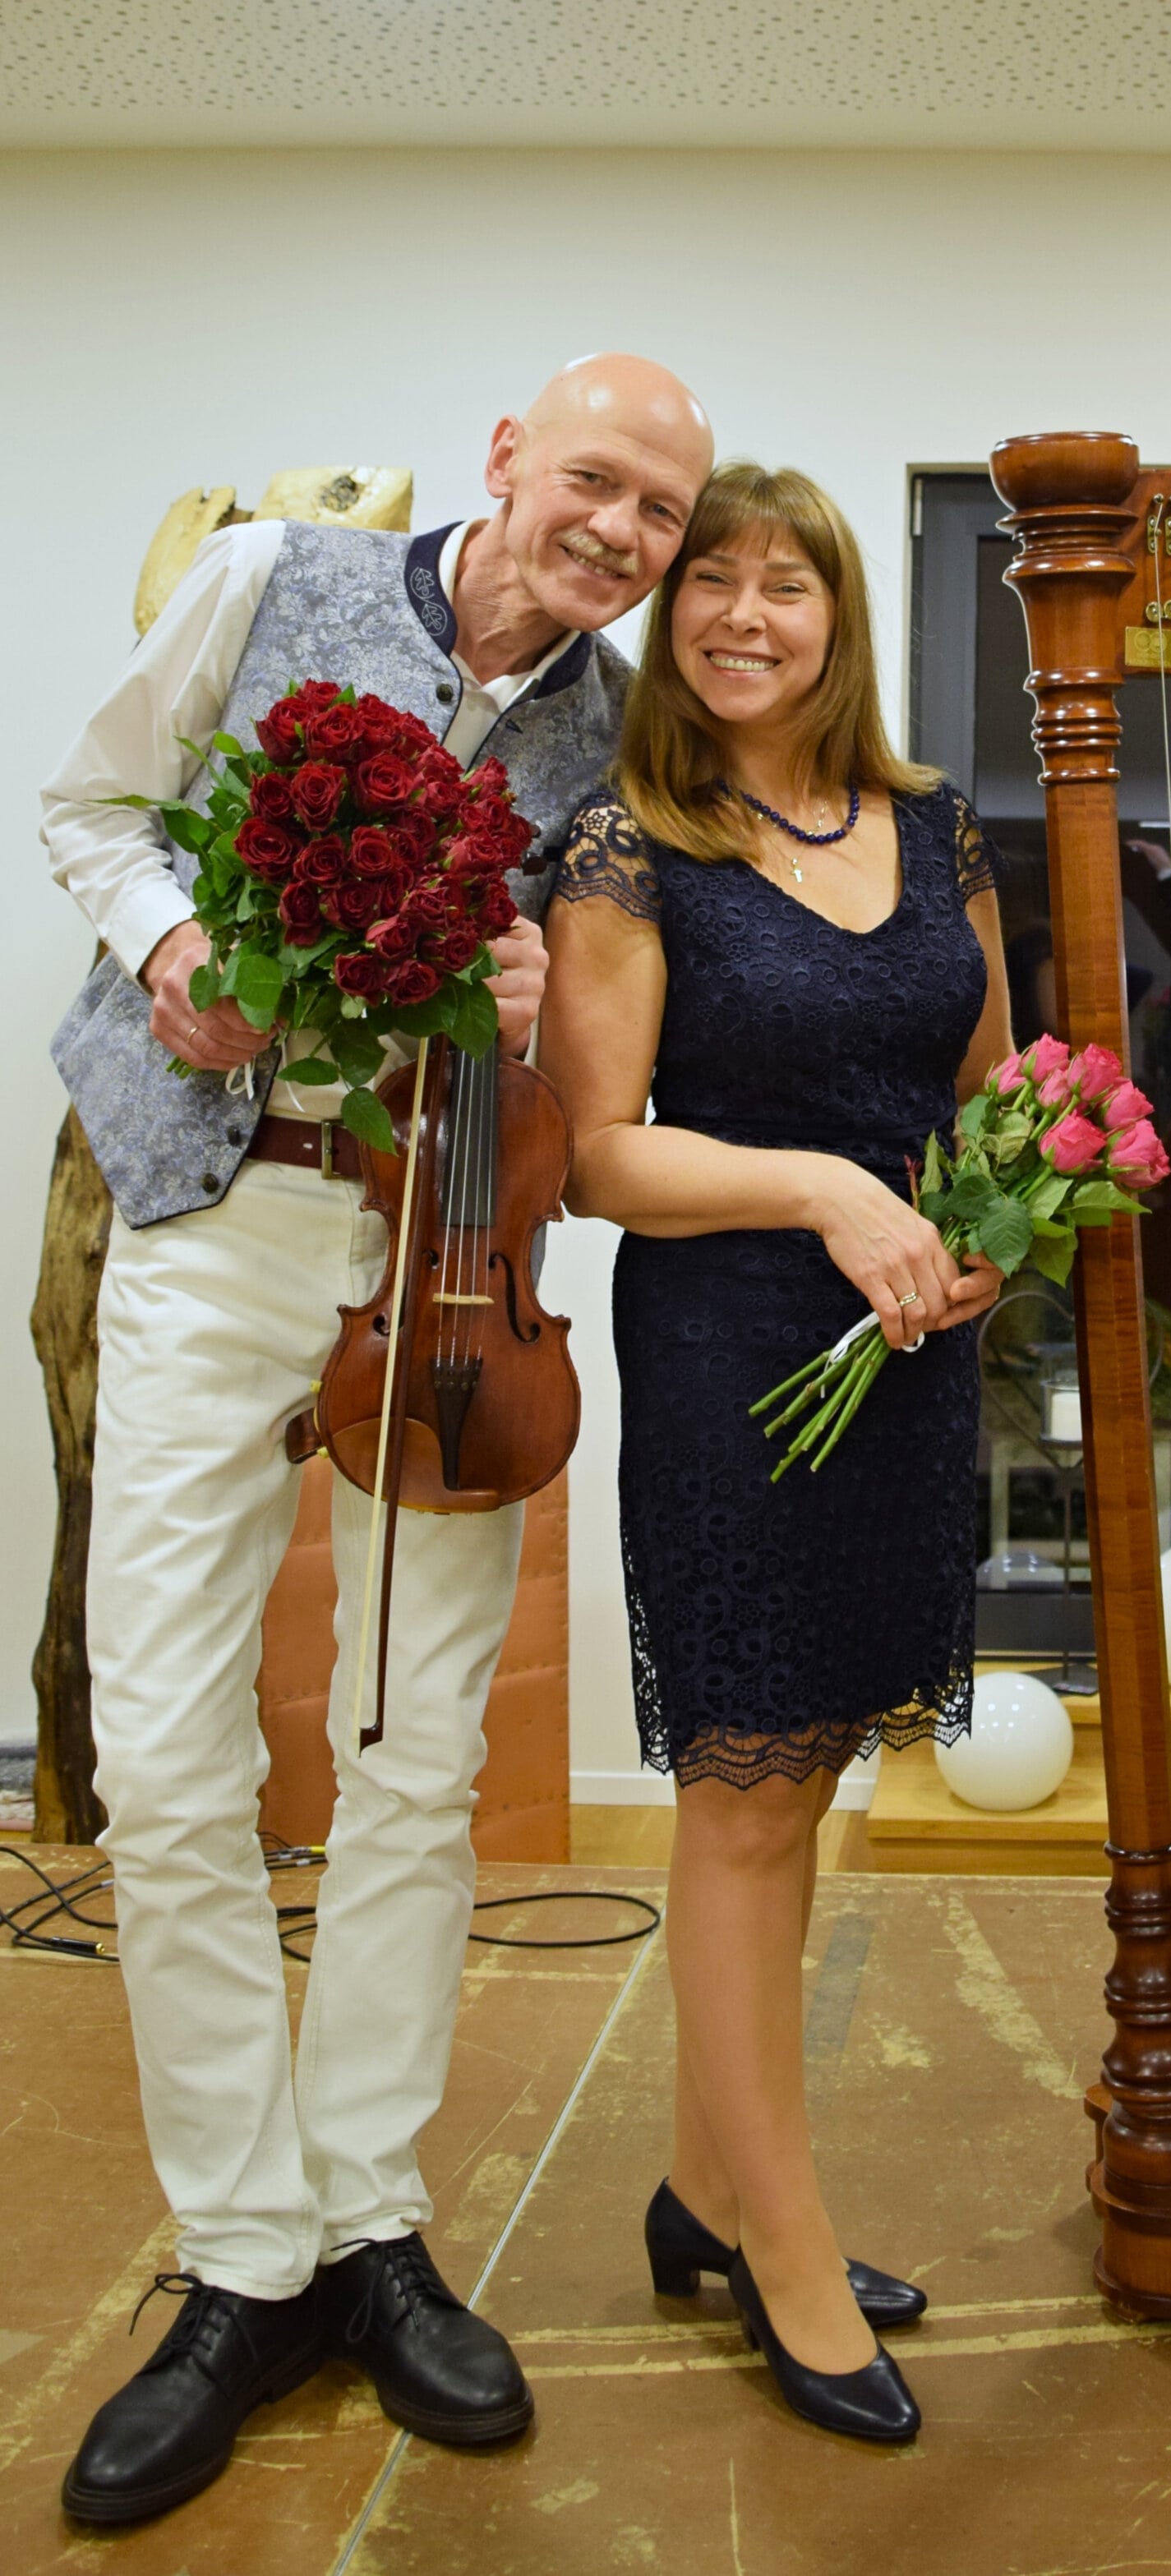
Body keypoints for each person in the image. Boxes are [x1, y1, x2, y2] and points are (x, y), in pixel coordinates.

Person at [39, 355, 715, 2523]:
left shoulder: (624, 737)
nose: (615, 531)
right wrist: (175, 951)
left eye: (657, 512)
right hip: (216, 1216)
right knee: (170, 1759)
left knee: (417, 1753)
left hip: (446, 1252)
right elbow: (91, 806)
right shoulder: (272, 577)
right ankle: (242, 2254)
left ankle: (365, 2222)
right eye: (593, 478)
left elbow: (618, 1041)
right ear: (508, 457)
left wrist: (542, 1013)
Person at [542, 462, 1011, 2447]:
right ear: (674, 619)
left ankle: (701, 2187)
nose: (744, 612)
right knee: (742, 1791)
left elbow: (991, 1089)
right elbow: (598, 1154)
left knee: (802, 1775)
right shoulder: (626, 842)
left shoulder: (937, 827)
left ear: (838, 614)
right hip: (733, 1350)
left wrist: (994, 1226)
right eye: (709, 581)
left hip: (905, 1354)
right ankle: (786, 2250)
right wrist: (820, 1182)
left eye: (784, 582)